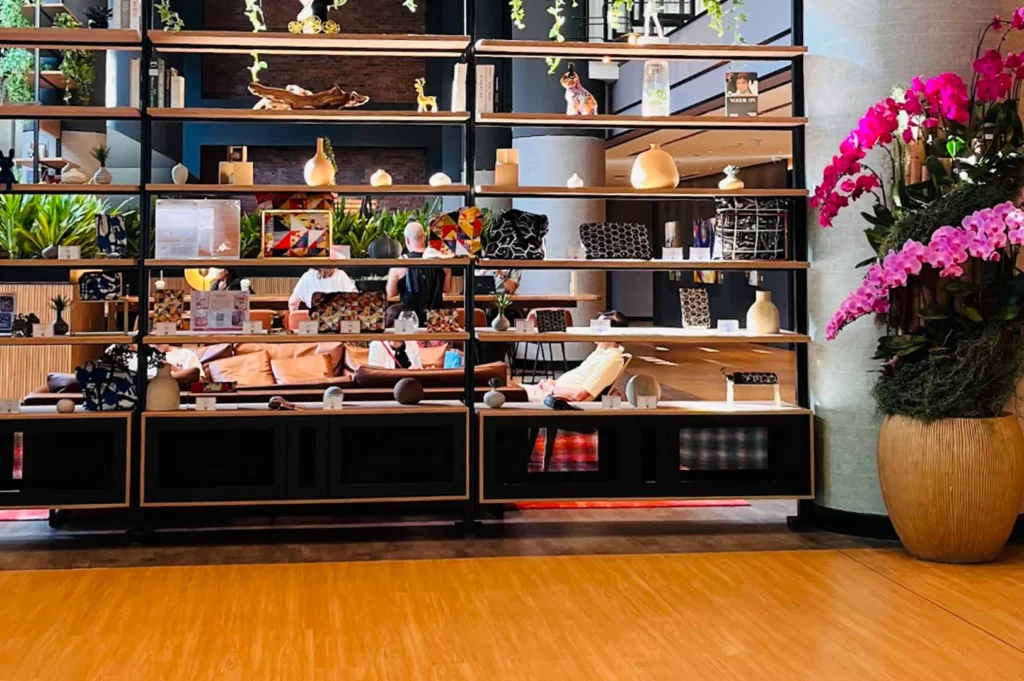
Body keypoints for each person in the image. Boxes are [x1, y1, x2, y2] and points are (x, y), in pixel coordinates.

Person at [385, 222, 449, 325]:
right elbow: (447, 288)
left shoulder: (400, 263)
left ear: (407, 240)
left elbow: (391, 293)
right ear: (425, 237)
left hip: (408, 321)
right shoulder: (442, 261)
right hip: (436, 321)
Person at [526, 342, 625, 403]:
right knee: (514, 389)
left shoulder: (612, 359)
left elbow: (579, 395)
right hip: (551, 392)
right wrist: (553, 383)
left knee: (513, 394)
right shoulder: (601, 354)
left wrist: (551, 388)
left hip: (554, 398)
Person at [288, 267, 357, 311]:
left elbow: (293, 303)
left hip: (313, 324)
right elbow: (355, 297)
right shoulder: (341, 275)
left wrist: (296, 326)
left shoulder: (308, 276)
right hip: (339, 324)